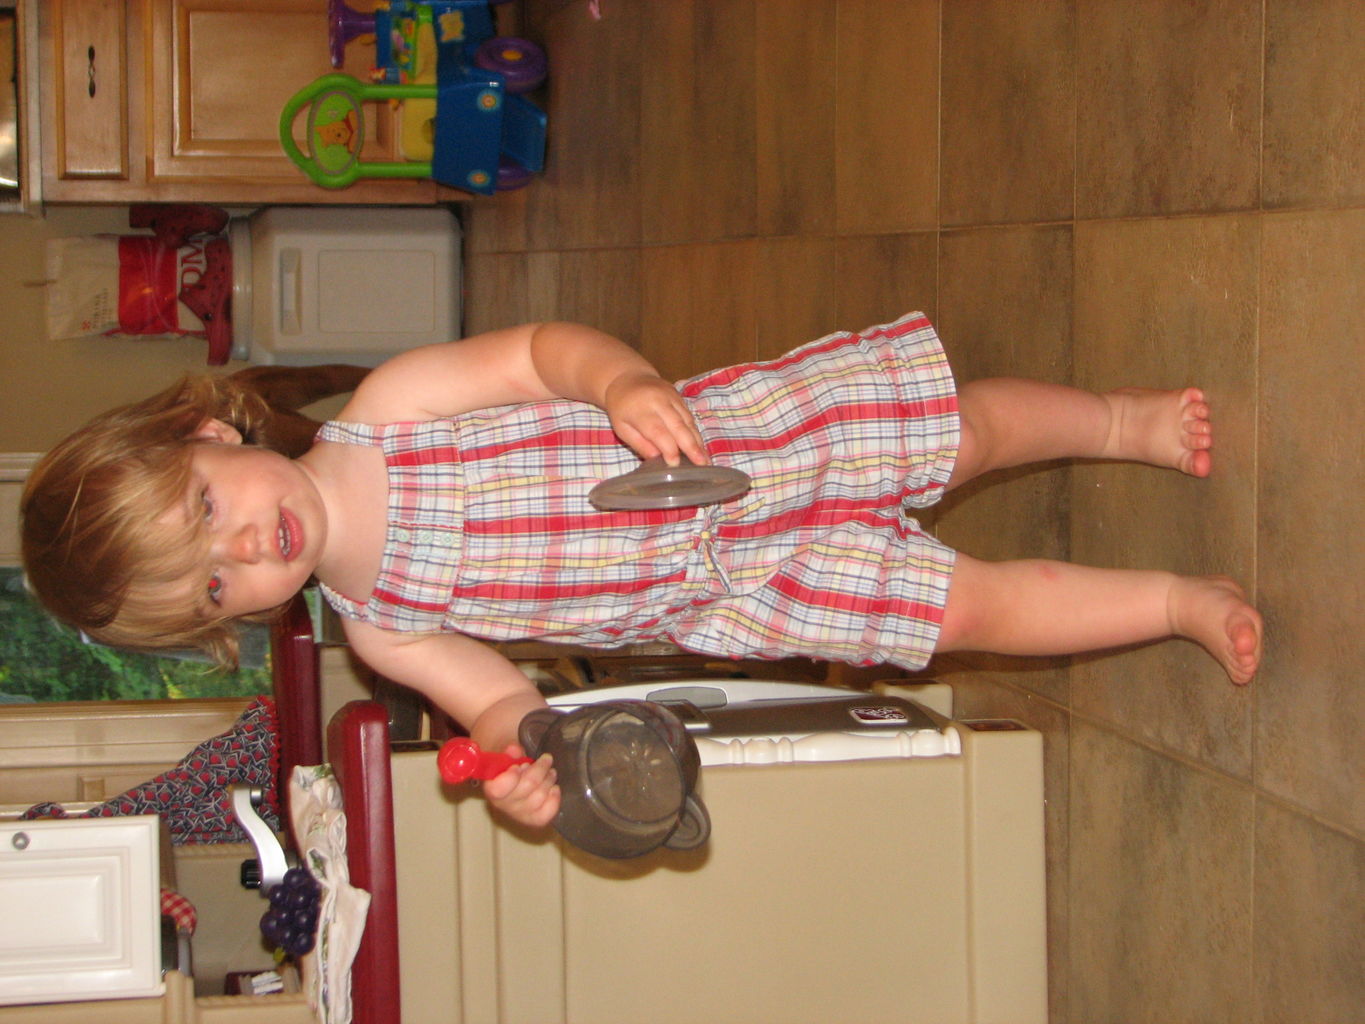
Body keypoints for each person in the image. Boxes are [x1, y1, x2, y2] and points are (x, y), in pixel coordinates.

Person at [21, 313, 1263, 830]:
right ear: (227, 623)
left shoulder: (392, 408)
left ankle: (1114, 421)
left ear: (209, 434)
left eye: (207, 511)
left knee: (962, 432)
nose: (245, 550)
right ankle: (1169, 605)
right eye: (215, 587)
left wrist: (620, 384)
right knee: (968, 609)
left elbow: (546, 352)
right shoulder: (381, 629)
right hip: (734, 595)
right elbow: (505, 699)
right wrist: (524, 761)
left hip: (728, 442)